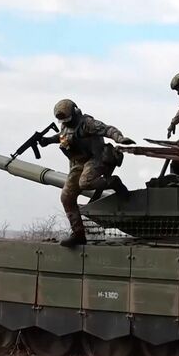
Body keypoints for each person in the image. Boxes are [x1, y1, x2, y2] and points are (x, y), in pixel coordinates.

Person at [39, 99, 135, 247]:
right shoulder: (65, 126)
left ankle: (114, 182)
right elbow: (62, 137)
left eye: (68, 119)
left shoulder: (87, 123)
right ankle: (78, 234)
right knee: (67, 197)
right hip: (78, 163)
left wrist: (120, 138)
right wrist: (48, 140)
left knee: (85, 182)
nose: (66, 123)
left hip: (96, 159)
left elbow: (107, 129)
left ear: (75, 112)